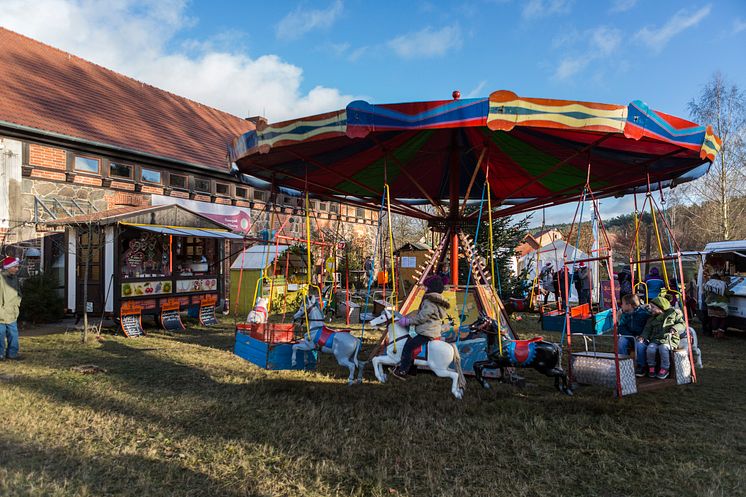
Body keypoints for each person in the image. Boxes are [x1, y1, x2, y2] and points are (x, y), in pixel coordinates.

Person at [391, 275, 450, 380]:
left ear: (431, 288)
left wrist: (408, 321)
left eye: (426, 287)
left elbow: (422, 318)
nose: (425, 289)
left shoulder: (429, 301)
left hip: (427, 332)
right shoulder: (439, 300)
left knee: (408, 347)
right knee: (411, 341)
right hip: (433, 330)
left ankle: (403, 370)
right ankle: (411, 370)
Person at [639, 296, 684, 379]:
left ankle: (665, 368)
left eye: (653, 307)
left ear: (661, 308)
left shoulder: (673, 314)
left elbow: (682, 324)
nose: (650, 309)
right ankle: (651, 367)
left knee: (663, 348)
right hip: (656, 339)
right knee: (650, 348)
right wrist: (643, 337)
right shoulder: (652, 318)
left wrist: (675, 328)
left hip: (669, 339)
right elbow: (647, 329)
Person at [617, 294, 650, 376]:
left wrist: (642, 336)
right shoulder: (624, 315)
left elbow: (648, 327)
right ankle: (624, 363)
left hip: (641, 337)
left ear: (629, 305)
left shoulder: (643, 314)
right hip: (630, 336)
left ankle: (641, 366)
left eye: (623, 304)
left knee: (640, 345)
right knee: (621, 341)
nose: (621, 306)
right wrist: (632, 337)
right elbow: (621, 327)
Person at [0, 257, 22, 361]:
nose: (17, 269)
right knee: (0, 335)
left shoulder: (15, 279)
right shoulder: (0, 278)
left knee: (13, 334)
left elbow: (19, 293)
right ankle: (0, 355)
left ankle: (12, 354)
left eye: (17, 266)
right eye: (15, 267)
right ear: (8, 267)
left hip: (12, 312)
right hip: (1, 312)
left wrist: (17, 305)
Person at [704, 274, 729, 338]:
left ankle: (714, 333)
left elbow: (705, 292)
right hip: (721, 304)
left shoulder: (708, 283)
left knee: (714, 318)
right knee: (724, 318)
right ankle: (720, 333)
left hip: (710, 303)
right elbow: (727, 293)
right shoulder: (723, 284)